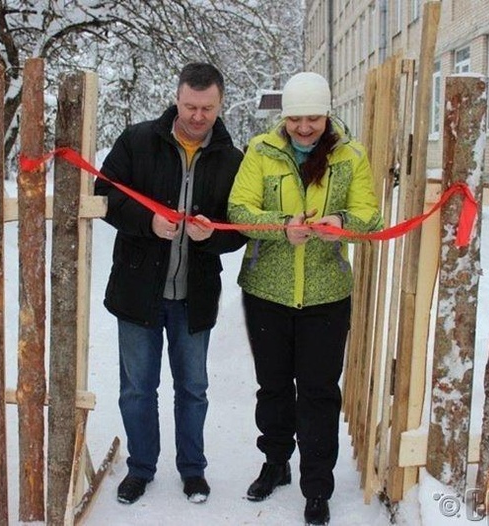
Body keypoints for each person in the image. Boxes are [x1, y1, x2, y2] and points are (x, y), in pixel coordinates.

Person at [227, 72, 383, 525]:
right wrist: (281, 226)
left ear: (327, 113)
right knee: (273, 386)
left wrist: (339, 219)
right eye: (296, 118)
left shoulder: (349, 155)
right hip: (266, 292)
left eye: (313, 117)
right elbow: (240, 211)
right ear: (285, 116)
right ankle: (275, 464)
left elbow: (369, 216)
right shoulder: (260, 151)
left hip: (326, 295)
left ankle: (317, 486)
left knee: (317, 392)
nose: (304, 127)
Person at [94, 62, 246, 505]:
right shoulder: (138, 141)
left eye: (207, 108)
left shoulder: (233, 160)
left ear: (220, 104)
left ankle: (192, 470)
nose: (198, 116)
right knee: (138, 388)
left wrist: (212, 235)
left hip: (193, 296)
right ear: (176, 98)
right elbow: (104, 194)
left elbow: (241, 228)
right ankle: (141, 468)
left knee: (193, 389)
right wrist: (147, 222)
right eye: (190, 106)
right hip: (138, 290)